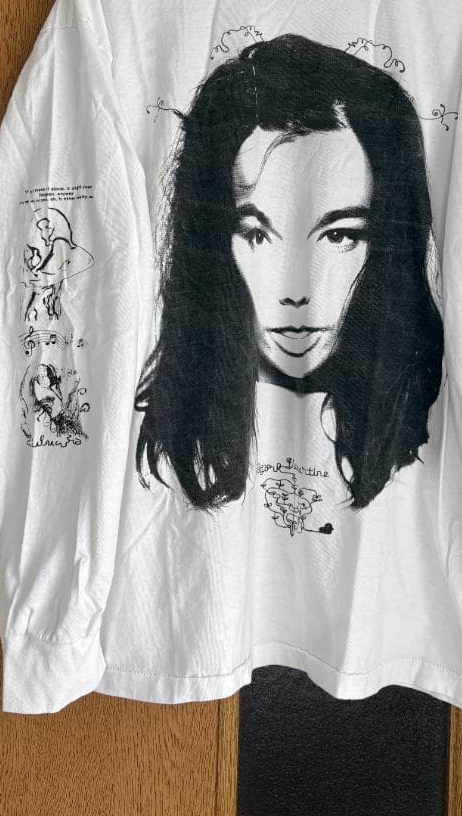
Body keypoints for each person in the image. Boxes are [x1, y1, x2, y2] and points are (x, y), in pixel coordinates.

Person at [134, 34, 444, 512]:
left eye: (339, 236)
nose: (296, 292)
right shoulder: (165, 454)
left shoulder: (423, 437)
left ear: (387, 244)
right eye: (257, 235)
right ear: (213, 243)